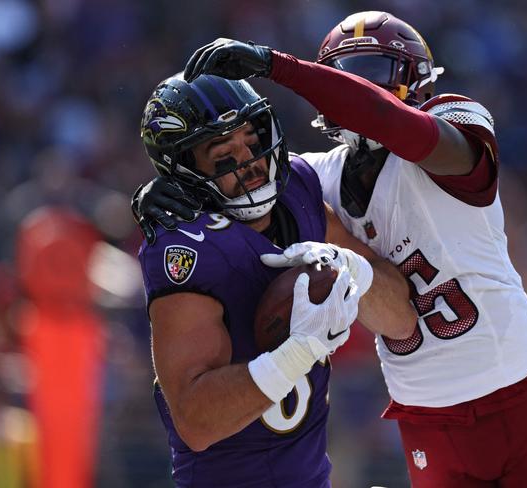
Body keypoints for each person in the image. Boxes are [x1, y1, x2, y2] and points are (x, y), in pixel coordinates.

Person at [134, 11, 527, 488]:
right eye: (349, 79)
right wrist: (155, 191)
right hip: (423, 411)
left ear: (417, 80)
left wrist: (278, 65)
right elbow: (234, 180)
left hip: (513, 389)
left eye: (377, 77)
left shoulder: (456, 129)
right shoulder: (319, 177)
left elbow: (388, 119)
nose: (364, 91)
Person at [136, 71, 415, 488]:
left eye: (250, 139)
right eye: (223, 154)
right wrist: (300, 351)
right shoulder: (185, 250)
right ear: (183, 170)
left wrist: (355, 271)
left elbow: (402, 321)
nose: (249, 161)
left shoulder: (297, 191)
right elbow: (196, 422)